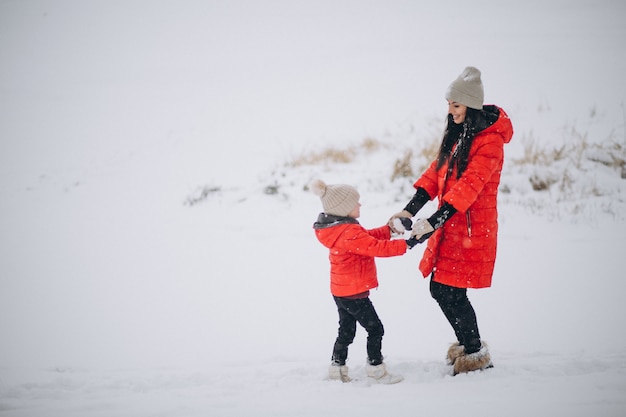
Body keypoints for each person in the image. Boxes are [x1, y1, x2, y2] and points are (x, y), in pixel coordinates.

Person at [388, 66, 514, 375]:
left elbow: (469, 187)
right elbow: (437, 172)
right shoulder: (460, 133)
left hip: (470, 228)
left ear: (470, 105)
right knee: (445, 289)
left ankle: (474, 353)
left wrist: (433, 221)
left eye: (455, 105)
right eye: (449, 104)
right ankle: (469, 346)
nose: (450, 110)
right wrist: (410, 210)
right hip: (452, 226)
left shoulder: (490, 143)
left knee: (447, 290)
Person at [311, 179, 418, 384]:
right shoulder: (349, 233)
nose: (360, 205)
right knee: (375, 329)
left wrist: (390, 230)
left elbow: (368, 237)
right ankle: (376, 369)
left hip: (341, 291)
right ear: (344, 209)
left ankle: (337, 368)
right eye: (356, 203)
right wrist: (409, 244)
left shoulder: (340, 230)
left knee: (346, 330)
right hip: (354, 292)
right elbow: (376, 248)